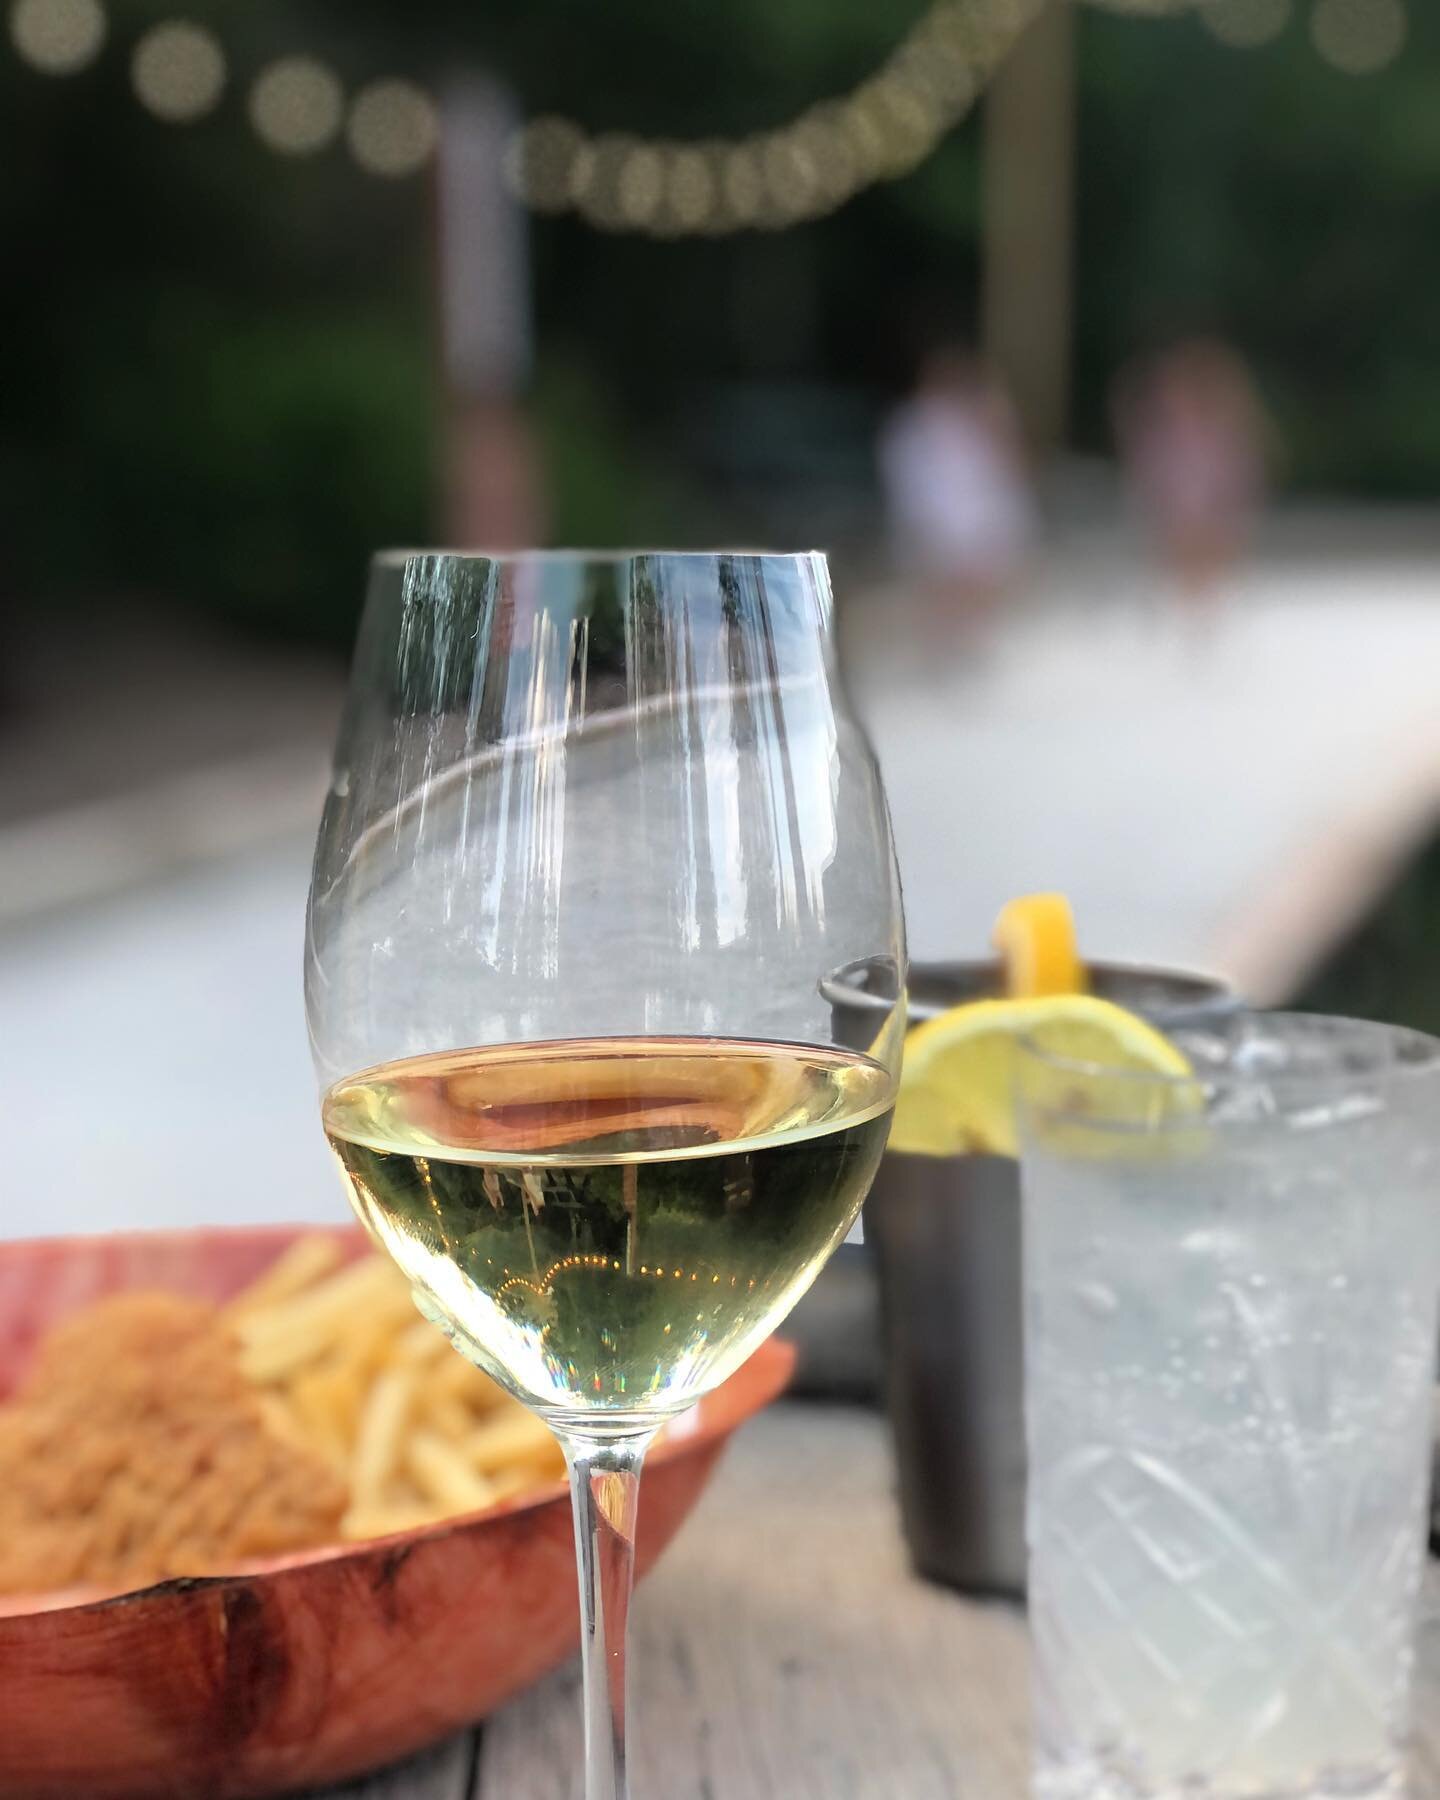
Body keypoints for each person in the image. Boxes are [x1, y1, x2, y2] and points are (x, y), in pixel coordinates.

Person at [877, 346, 1038, 630]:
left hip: (973, 534)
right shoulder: (913, 428)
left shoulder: (976, 424)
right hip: (944, 535)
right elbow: (920, 495)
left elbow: (1006, 480)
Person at [1113, 337, 1269, 595]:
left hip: (1204, 514)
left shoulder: (1222, 438)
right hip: (1184, 514)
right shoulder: (1164, 437)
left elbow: (1236, 487)